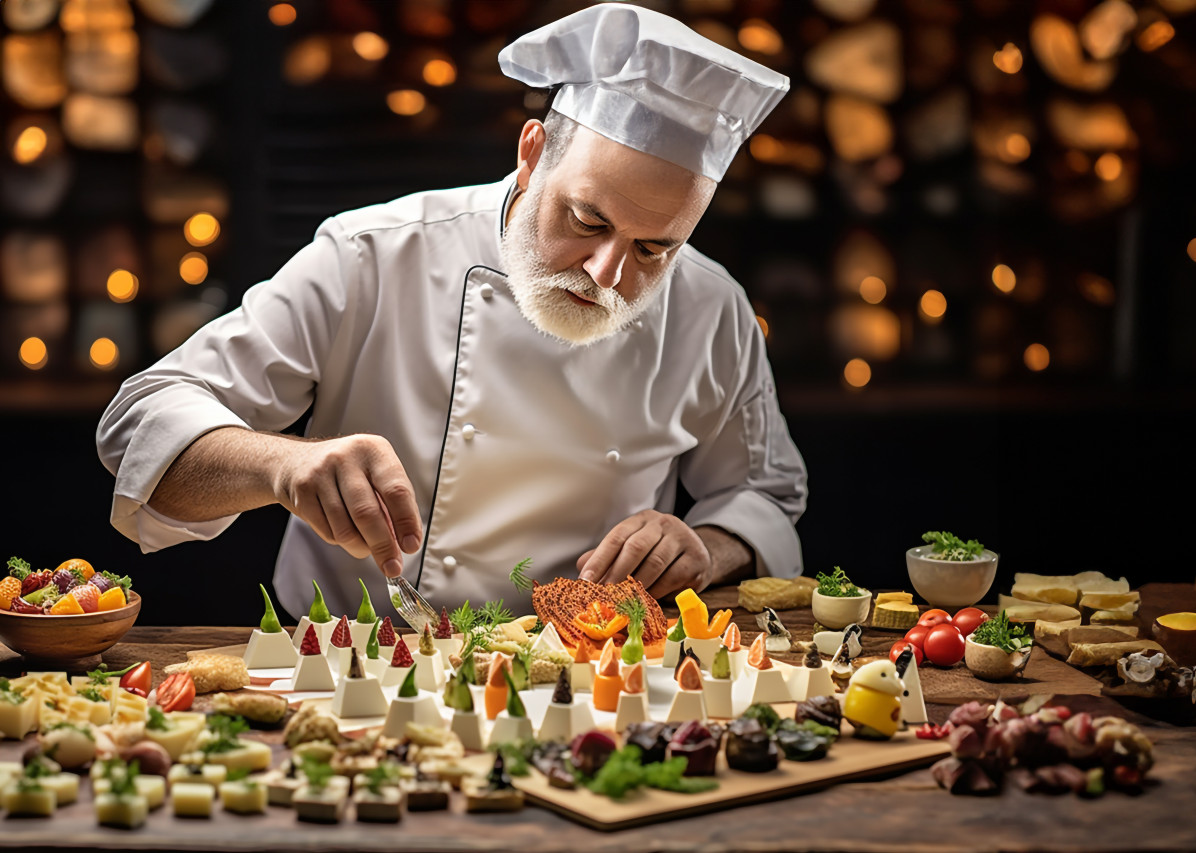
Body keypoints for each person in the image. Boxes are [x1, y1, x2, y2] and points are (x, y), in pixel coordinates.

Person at [96, 4, 808, 620]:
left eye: (654, 247)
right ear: (532, 156)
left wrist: (706, 547)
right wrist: (283, 464)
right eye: (588, 221)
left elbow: (765, 496)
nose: (607, 275)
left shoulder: (711, 308)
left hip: (586, 674)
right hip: (351, 661)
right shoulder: (371, 256)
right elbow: (141, 426)